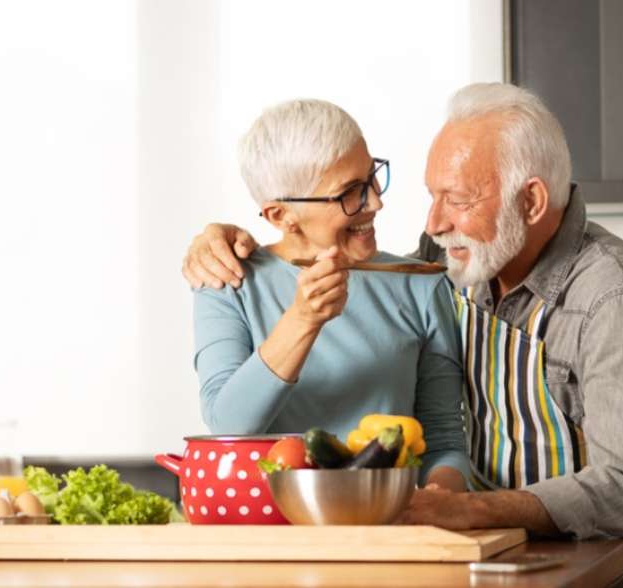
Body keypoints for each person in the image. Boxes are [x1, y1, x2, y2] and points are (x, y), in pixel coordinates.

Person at [182, 83, 623, 587]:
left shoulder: (607, 292)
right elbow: (232, 414)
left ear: (530, 201)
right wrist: (219, 238)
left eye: (458, 199)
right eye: (431, 195)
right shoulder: (449, 257)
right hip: (501, 557)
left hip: (615, 565)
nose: (431, 223)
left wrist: (461, 509)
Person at [193, 98, 470, 491]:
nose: (375, 201)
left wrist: (442, 499)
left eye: (372, 177)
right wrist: (303, 320)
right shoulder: (227, 280)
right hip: (267, 532)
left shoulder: (421, 284)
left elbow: (443, 441)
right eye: (349, 193)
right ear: (280, 216)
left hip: (389, 526)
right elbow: (228, 426)